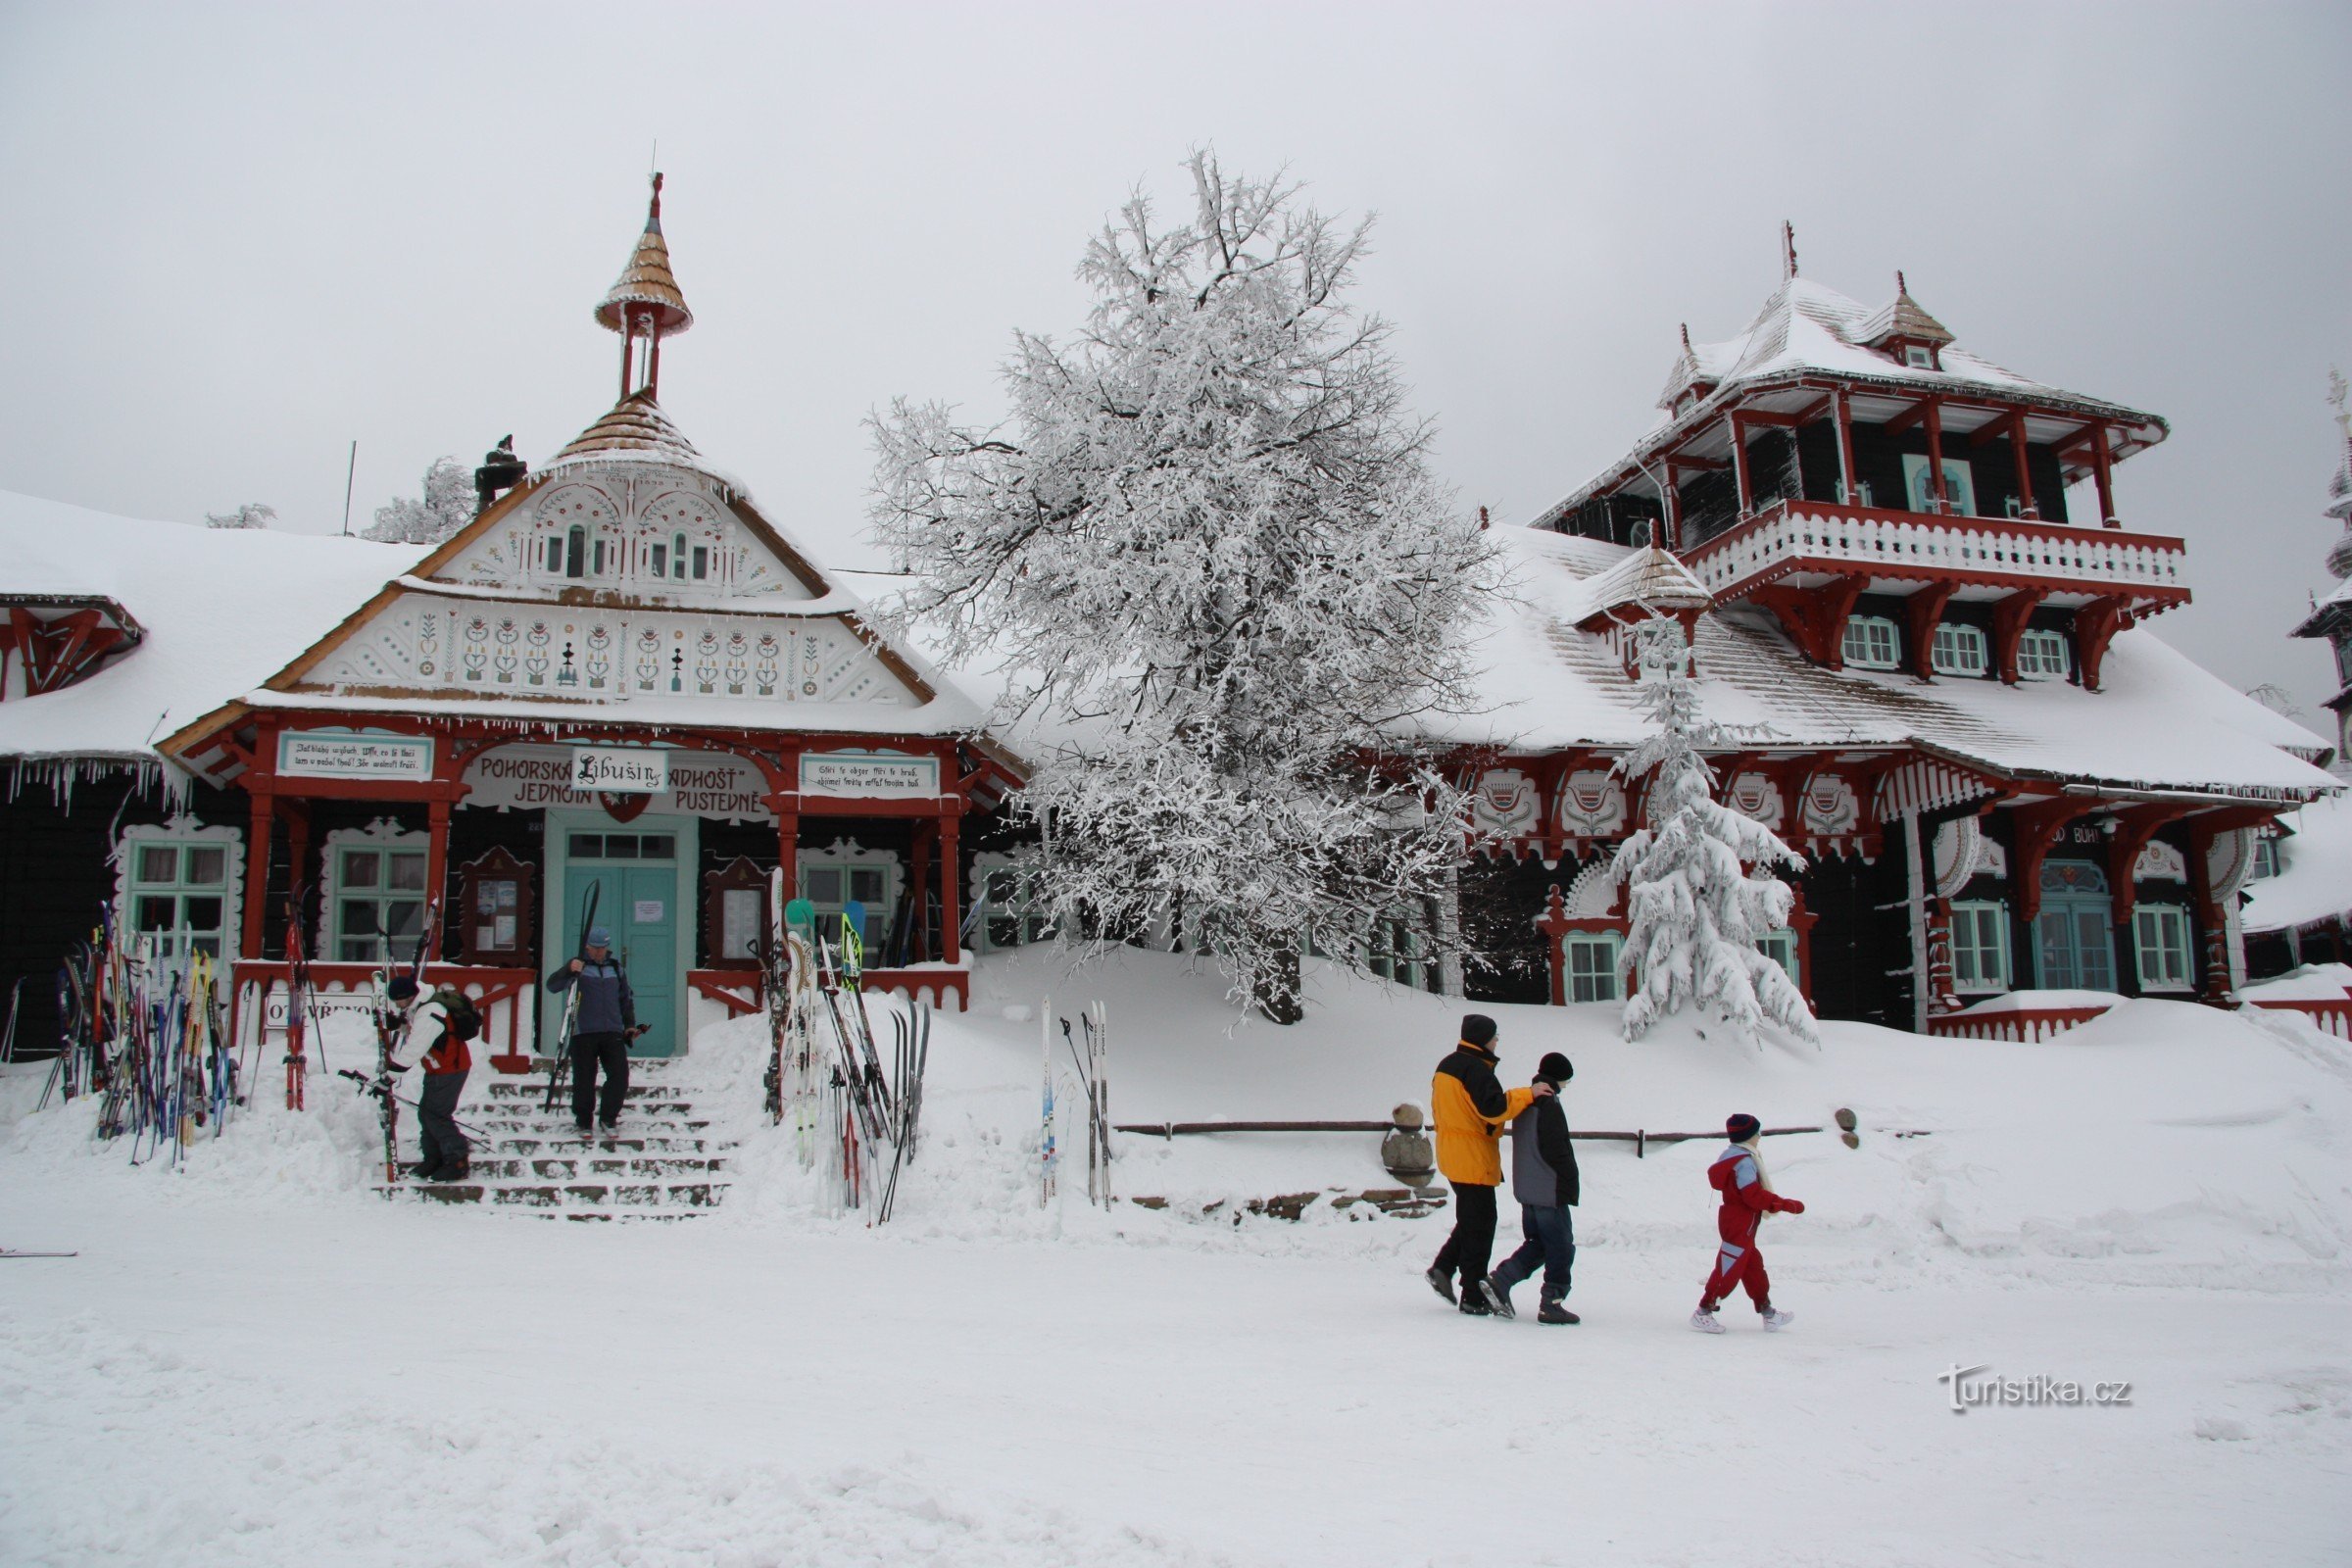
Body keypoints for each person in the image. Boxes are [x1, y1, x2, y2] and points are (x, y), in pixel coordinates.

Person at [1425, 1013, 1549, 1317]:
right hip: (1472, 1154)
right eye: (1494, 1036)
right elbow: (1494, 1110)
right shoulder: (1476, 1069)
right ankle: (1472, 1294)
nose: (1497, 1042)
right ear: (1483, 1038)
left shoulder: (1448, 1064)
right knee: (1481, 1223)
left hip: (1452, 1151)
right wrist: (1528, 1095)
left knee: (1472, 1218)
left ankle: (1442, 1268)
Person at [1690, 1112, 1804, 1334]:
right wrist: (1783, 1204)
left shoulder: (1732, 1155)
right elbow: (1751, 1195)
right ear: (1747, 1136)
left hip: (1741, 1221)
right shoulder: (1743, 1161)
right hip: (1740, 1221)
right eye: (1756, 1132)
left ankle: (1768, 1313)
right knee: (1729, 1267)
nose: (1759, 1136)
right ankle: (1703, 1311)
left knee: (1753, 1269)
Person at [1490, 1052, 1581, 1325]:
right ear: (1560, 1078)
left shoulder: (1528, 1100)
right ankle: (1552, 1302)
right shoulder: (1548, 1104)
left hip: (1529, 1186)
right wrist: (1569, 1180)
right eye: (1566, 1081)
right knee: (1561, 1246)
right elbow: (1556, 1150)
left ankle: (1500, 1281)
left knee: (1539, 1244)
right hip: (1548, 1187)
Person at [546, 926, 637, 1138]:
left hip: (612, 1030)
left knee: (620, 1076)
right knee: (584, 1078)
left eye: (602, 948)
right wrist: (568, 969)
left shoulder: (615, 968)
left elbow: (626, 998)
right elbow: (552, 985)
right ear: (587, 947)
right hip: (583, 1030)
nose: (598, 952)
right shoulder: (578, 967)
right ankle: (584, 1121)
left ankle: (608, 1118)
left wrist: (629, 1024)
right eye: (594, 948)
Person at [384, 975, 471, 1181]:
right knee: (426, 1114)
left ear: (408, 996)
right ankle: (434, 1159)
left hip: (451, 1068)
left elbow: (416, 1046)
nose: (397, 1004)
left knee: (437, 1115)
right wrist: (399, 1026)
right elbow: (419, 1034)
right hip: (437, 1068)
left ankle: (457, 1160)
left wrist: (390, 1077)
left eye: (398, 1000)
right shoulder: (420, 1007)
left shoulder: (430, 1011)